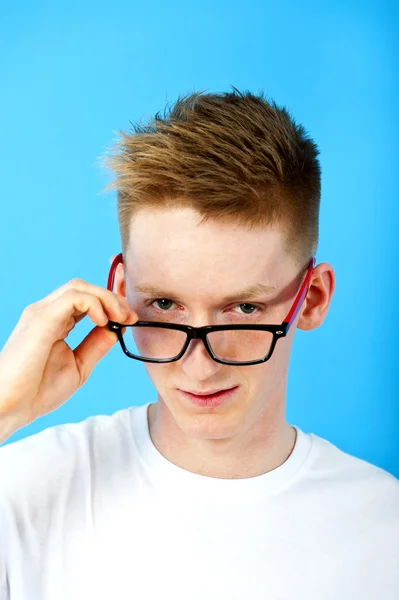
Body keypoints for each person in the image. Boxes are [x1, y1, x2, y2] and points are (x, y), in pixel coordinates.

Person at [0, 87, 397, 600]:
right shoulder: (22, 489)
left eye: (244, 309)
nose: (199, 367)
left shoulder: (383, 529)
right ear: (120, 293)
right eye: (164, 304)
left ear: (313, 299)